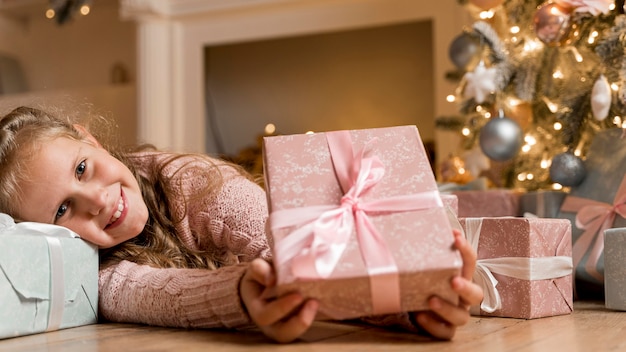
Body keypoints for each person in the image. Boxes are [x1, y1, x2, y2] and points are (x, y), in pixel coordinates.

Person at [0, 106, 483, 343]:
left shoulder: (192, 181)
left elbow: (290, 252)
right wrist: (243, 297)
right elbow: (149, 290)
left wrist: (415, 303)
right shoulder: (93, 278)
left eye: (82, 169)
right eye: (63, 211)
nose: (97, 202)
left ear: (89, 138)